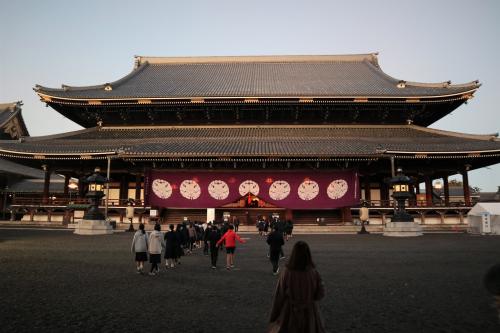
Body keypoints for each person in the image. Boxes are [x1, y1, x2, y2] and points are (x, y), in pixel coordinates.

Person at [268, 241, 325, 333]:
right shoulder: (313, 272)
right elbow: (320, 294)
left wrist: (274, 315)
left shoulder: (287, 272)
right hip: (309, 312)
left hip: (290, 311)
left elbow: (279, 295)